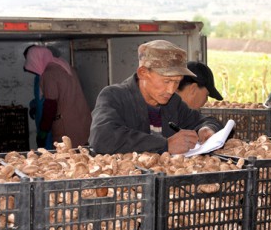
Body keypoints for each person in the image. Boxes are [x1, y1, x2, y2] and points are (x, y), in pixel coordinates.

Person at [89, 40, 223, 155]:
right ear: (143, 73)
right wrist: (165, 145)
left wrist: (207, 129)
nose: (171, 90)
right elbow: (102, 137)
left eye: (177, 82)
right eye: (166, 81)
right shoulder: (114, 96)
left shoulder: (173, 103)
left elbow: (205, 121)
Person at [24, 46, 92, 148]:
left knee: (67, 158)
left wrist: (43, 133)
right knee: (82, 154)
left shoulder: (49, 74)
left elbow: (50, 106)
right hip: (83, 120)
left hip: (67, 126)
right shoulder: (65, 66)